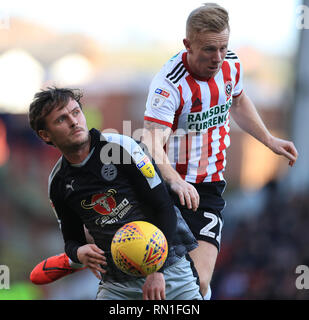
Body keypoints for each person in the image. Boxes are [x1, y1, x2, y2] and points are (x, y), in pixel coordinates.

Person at [142, 3, 298, 299]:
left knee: (199, 285)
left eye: (223, 48)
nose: (217, 58)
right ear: (188, 44)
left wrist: (269, 140)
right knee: (157, 284)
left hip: (208, 188)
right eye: (209, 50)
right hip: (164, 188)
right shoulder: (169, 85)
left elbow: (238, 102)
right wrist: (175, 179)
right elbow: (150, 142)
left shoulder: (231, 65)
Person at [28, 87, 203, 300]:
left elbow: (163, 207)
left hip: (169, 271)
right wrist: (79, 253)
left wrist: (157, 271)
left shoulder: (123, 148)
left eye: (76, 112)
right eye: (61, 119)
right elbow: (72, 240)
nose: (74, 122)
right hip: (117, 284)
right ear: (45, 134)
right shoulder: (57, 182)